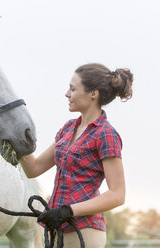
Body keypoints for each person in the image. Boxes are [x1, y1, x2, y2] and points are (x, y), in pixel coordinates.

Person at [20, 63, 133, 248]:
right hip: (54, 227)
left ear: (93, 94)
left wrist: (67, 211)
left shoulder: (106, 134)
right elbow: (34, 168)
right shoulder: (68, 128)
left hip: (84, 230)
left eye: (72, 89)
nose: (67, 94)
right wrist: (14, 140)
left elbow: (117, 194)